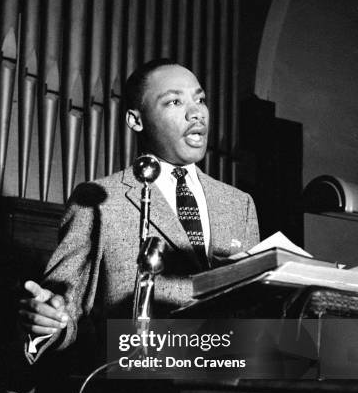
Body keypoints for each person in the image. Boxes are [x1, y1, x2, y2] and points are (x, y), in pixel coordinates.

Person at [19, 59, 259, 363]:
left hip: (228, 383)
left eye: (200, 99)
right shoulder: (99, 199)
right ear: (136, 119)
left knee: (325, 353)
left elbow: (255, 314)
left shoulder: (240, 204)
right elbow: (62, 306)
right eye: (174, 101)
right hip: (137, 380)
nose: (196, 112)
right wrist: (48, 322)